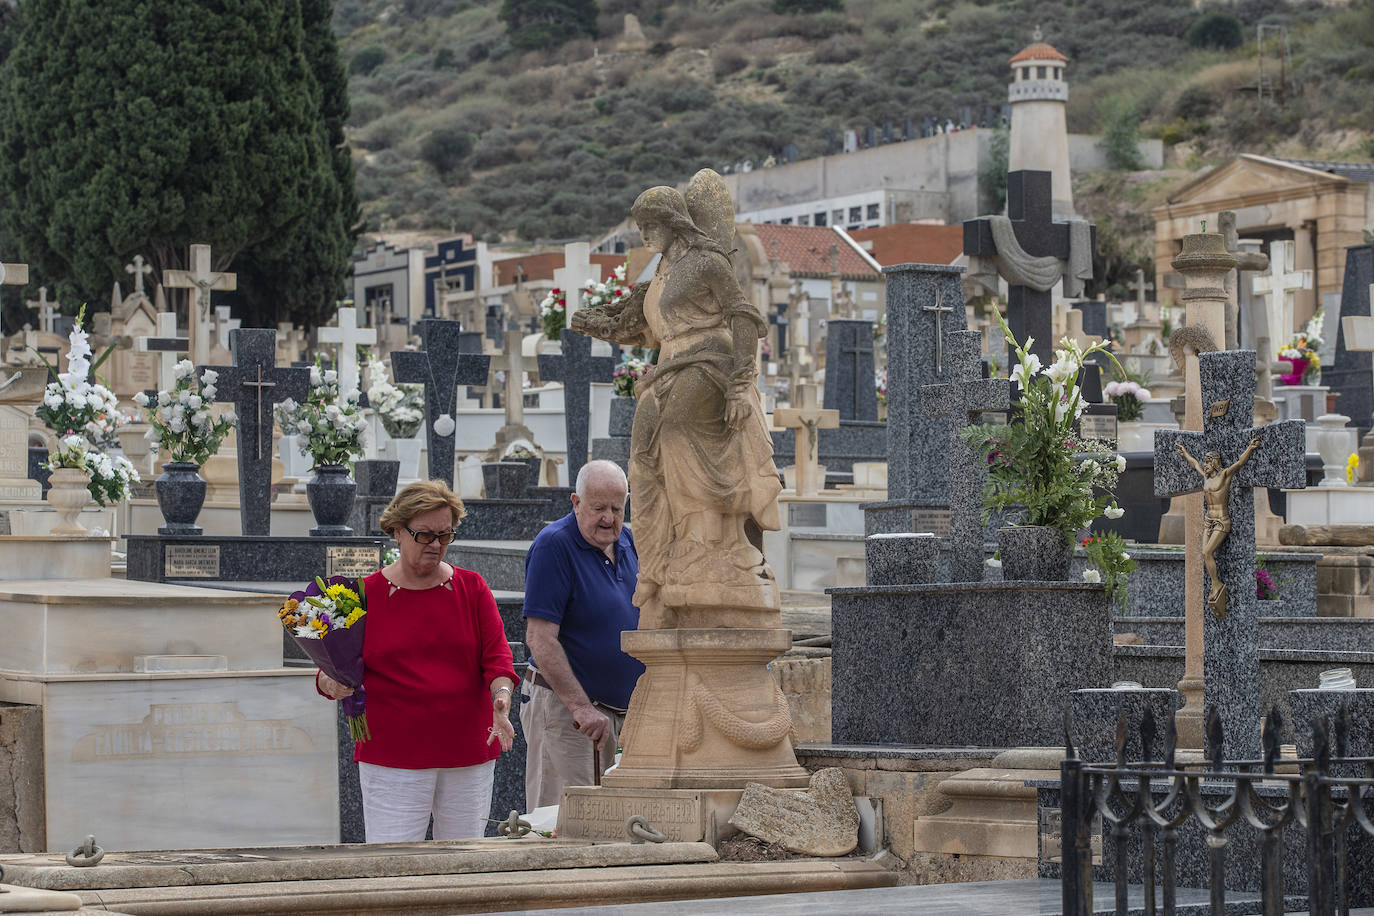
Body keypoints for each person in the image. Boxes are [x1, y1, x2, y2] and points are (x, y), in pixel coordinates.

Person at [571, 181, 782, 626]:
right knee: (643, 465)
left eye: (650, 226)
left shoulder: (706, 262)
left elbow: (742, 315)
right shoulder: (661, 272)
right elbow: (634, 323)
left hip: (707, 362)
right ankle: (657, 563)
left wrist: (742, 384)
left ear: (672, 223)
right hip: (666, 369)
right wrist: (591, 323)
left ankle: (707, 548)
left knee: (677, 439)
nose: (644, 235)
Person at [316, 479, 518, 841]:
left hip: (467, 755)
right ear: (397, 530)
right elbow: (326, 671)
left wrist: (501, 698)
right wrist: (332, 683)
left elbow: (499, 659)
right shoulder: (361, 595)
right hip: (392, 758)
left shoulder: (472, 588)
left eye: (445, 535)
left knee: (464, 865)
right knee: (392, 867)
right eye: (425, 535)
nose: (437, 545)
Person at [520, 460, 644, 808]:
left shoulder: (628, 541)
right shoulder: (554, 546)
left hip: (620, 716)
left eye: (617, 508)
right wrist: (581, 707)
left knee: (615, 821)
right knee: (563, 819)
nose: (608, 518)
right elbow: (540, 637)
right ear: (576, 503)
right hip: (569, 715)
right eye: (598, 508)